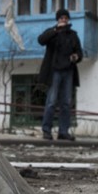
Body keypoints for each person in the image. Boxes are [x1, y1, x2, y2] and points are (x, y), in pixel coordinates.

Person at [37, 8, 82, 141]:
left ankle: (63, 132)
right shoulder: (52, 32)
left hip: (68, 72)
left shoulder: (73, 35)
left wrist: (76, 57)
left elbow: (79, 52)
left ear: (68, 19)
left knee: (66, 103)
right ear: (58, 20)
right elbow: (41, 40)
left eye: (65, 18)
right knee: (51, 102)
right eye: (61, 18)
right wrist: (56, 30)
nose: (64, 20)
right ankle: (46, 131)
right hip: (54, 71)